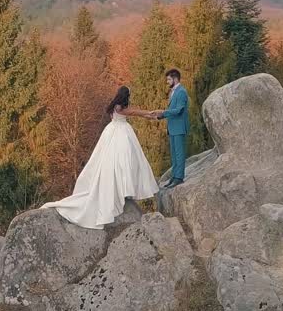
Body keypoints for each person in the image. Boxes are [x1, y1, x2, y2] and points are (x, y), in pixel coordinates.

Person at [41, 86, 159, 229]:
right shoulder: (119, 107)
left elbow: (133, 112)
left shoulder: (114, 105)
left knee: (119, 161)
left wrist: (151, 115)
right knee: (124, 161)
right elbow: (134, 112)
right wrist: (148, 113)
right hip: (121, 133)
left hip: (112, 131)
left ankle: (124, 189)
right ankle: (122, 189)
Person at [151, 68, 189, 187]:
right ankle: (174, 176)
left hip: (179, 128)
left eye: (169, 79)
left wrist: (163, 112)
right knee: (174, 154)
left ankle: (179, 177)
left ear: (175, 79)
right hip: (172, 128)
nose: (167, 82)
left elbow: (179, 110)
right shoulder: (173, 92)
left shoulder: (181, 92)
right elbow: (171, 110)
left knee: (179, 154)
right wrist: (159, 116)